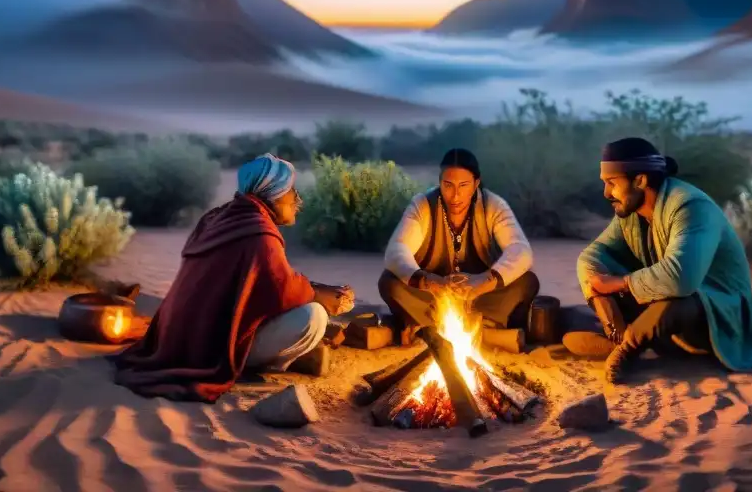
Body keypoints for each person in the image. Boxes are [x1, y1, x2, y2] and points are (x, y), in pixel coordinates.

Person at [113, 153, 355, 402]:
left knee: (308, 304)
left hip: (185, 340)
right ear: (273, 193)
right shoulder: (258, 233)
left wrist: (319, 288)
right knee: (314, 316)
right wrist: (320, 295)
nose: (298, 200)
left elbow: (263, 280)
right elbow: (280, 289)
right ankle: (251, 366)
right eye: (291, 191)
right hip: (215, 351)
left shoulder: (219, 217)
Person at [576, 137, 752, 384]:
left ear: (640, 180)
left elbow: (681, 277)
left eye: (611, 183)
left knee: (677, 300)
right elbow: (592, 255)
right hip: (668, 298)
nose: (607, 193)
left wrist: (617, 284)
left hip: (717, 307)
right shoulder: (631, 211)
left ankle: (626, 349)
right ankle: (618, 333)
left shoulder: (689, 206)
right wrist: (601, 297)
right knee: (603, 276)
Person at [379, 148, 539, 343]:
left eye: (463, 185)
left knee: (527, 282)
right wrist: (430, 282)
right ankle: (482, 332)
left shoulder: (493, 205)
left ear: (476, 184)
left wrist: (483, 281)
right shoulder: (423, 205)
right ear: (440, 182)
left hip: (481, 298)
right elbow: (397, 250)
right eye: (448, 185)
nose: (455, 196)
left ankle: (433, 331)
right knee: (390, 283)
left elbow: (520, 250)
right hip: (434, 299)